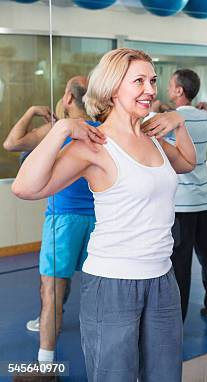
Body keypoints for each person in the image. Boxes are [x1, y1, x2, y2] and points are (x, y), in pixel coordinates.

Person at [11, 48, 196, 381]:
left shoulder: (151, 135)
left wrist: (179, 124)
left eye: (152, 80)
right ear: (113, 87)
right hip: (113, 283)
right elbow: (25, 187)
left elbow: (185, 162)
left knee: (166, 376)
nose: (150, 90)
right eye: (138, 81)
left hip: (162, 280)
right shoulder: (95, 144)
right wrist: (62, 129)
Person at [4, 77, 93, 366]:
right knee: (100, 287)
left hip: (64, 220)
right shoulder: (102, 129)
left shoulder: (56, 130)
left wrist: (32, 111)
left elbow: (11, 143)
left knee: (52, 287)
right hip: (100, 219)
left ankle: (45, 363)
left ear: (68, 98)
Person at [158, 68, 207, 321]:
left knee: (180, 264)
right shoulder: (202, 117)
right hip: (203, 202)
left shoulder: (168, 119)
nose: (167, 88)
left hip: (180, 206)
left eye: (170, 85)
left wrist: (157, 110)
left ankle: (178, 317)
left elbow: (148, 132)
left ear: (179, 91)